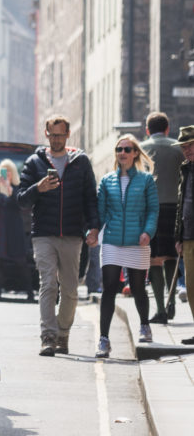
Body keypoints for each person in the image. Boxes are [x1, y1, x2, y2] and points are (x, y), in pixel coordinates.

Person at [18, 115, 99, 356]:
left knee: (71, 290)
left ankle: (63, 333)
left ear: (67, 135)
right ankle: (48, 337)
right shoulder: (34, 163)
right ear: (46, 134)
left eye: (60, 135)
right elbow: (21, 199)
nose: (56, 139)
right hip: (43, 233)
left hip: (73, 235)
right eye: (52, 135)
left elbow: (90, 199)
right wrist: (38, 188)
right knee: (48, 284)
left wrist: (93, 227)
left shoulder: (81, 162)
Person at [88, 134, 159, 357]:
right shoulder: (107, 180)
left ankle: (145, 325)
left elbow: (152, 210)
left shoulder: (146, 180)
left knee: (138, 289)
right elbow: (99, 212)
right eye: (119, 149)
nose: (123, 153)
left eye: (127, 149)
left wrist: (148, 231)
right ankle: (104, 339)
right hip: (111, 242)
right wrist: (93, 231)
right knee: (109, 288)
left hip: (137, 242)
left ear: (135, 153)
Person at [142, 111, 184, 324]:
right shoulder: (178, 148)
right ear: (167, 128)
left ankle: (160, 309)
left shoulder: (140, 148)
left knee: (153, 259)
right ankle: (171, 303)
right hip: (175, 207)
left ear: (148, 130)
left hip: (149, 209)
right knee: (171, 256)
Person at [0, 159, 34, 301]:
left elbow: (20, 204)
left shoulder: (17, 187)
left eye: (9, 172)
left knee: (21, 262)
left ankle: (30, 292)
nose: (7, 175)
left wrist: (10, 190)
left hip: (13, 232)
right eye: (4, 172)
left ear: (13, 174)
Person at [174, 125, 194, 345]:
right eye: (184, 147)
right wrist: (178, 236)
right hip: (188, 235)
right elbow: (181, 204)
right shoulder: (185, 168)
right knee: (191, 286)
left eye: (190, 146)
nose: (186, 150)